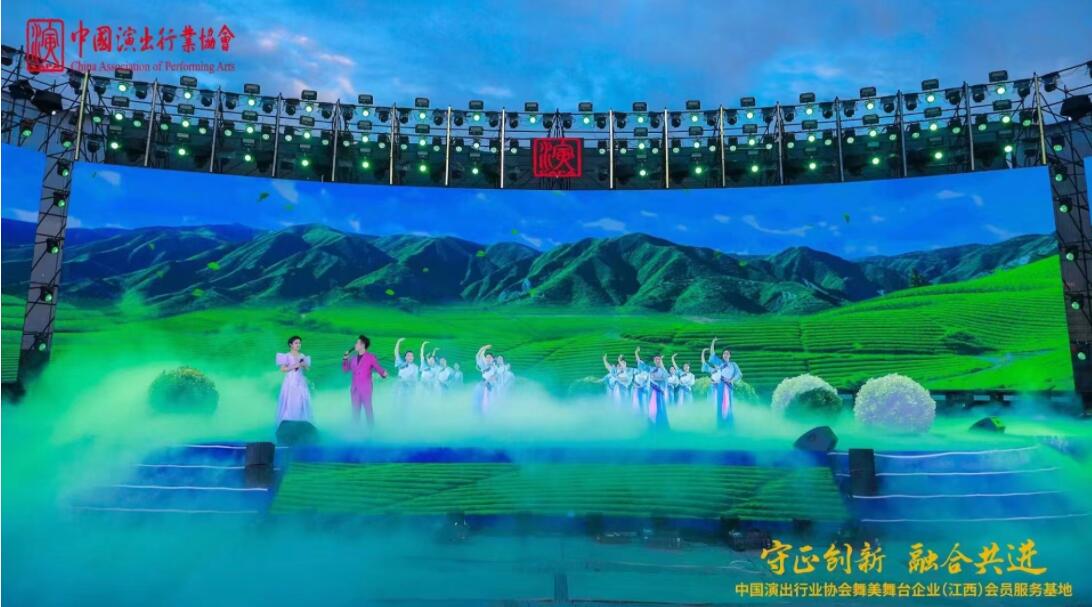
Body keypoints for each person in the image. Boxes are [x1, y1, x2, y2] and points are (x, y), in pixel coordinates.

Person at [342, 334, 388, 427]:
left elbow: (377, 367)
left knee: (368, 409)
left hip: (366, 388)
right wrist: (345, 358)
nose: (355, 345)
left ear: (362, 345)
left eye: (357, 343)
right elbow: (345, 369)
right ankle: (356, 430)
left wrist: (383, 373)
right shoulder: (353, 358)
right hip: (354, 389)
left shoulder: (371, 357)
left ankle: (371, 430)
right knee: (355, 411)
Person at [702, 337, 742, 428]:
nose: (725, 355)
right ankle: (720, 423)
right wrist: (713, 342)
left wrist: (731, 380)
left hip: (729, 386)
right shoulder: (720, 363)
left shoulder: (733, 365)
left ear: (730, 355)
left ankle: (729, 423)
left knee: (728, 404)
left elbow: (739, 374)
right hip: (720, 385)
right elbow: (712, 355)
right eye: (724, 353)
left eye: (727, 353)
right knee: (720, 404)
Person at [276, 336, 312, 424]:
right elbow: (283, 369)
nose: (298, 345)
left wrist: (304, 365)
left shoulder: (302, 355)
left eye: (299, 343)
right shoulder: (287, 356)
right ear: (291, 345)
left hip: (300, 381)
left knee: (301, 399)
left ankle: (301, 419)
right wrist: (294, 366)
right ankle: (288, 419)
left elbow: (307, 369)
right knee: (291, 400)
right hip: (290, 381)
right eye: (296, 343)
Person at [639, 350, 671, 429]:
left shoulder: (663, 370)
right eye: (656, 359)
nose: (657, 360)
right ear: (653, 360)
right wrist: (636, 354)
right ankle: (651, 424)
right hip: (652, 392)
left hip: (659, 392)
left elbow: (666, 378)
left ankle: (661, 425)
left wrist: (656, 378)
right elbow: (642, 365)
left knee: (660, 408)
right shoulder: (651, 369)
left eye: (659, 359)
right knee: (651, 408)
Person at [473, 344, 499, 414]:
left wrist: (488, 381)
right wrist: (484, 348)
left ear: (493, 359)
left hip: (492, 387)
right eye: (487, 357)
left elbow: (495, 376)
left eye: (490, 357)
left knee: (491, 403)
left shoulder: (495, 367)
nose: (488, 359)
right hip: (483, 386)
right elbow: (478, 355)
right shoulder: (483, 365)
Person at [393, 337, 420, 403]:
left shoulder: (415, 367)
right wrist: (398, 342)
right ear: (405, 357)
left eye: (411, 356)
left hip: (409, 390)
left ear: (413, 358)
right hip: (399, 390)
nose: (410, 357)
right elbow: (396, 353)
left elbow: (415, 380)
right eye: (408, 355)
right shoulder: (401, 364)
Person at [631, 347, 651, 413]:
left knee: (646, 400)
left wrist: (636, 352)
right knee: (640, 400)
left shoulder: (646, 368)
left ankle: (647, 411)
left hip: (645, 387)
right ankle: (642, 411)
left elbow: (638, 360)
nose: (638, 362)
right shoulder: (639, 370)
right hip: (640, 387)